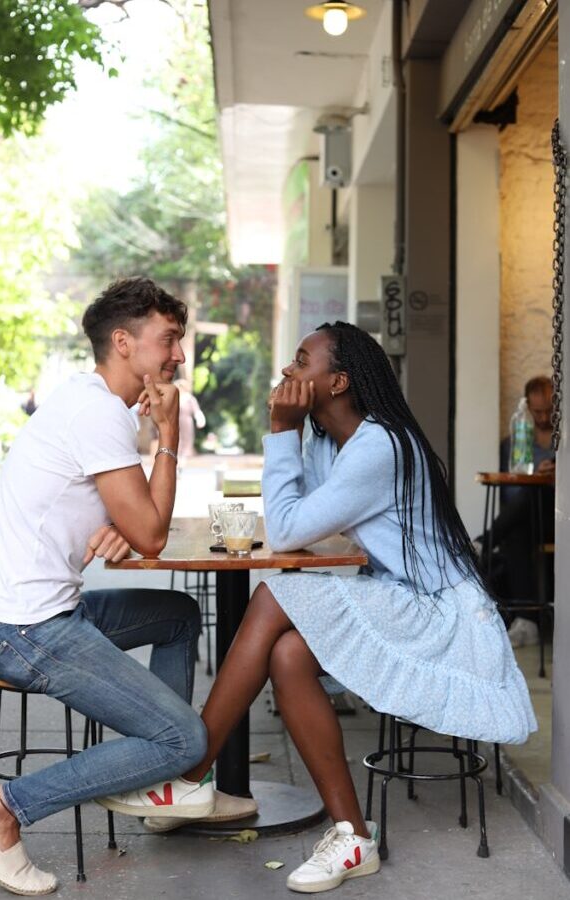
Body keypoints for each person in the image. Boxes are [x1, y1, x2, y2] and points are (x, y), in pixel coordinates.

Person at [104, 321, 537, 894]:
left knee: (275, 591)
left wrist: (280, 431)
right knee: (287, 654)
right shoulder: (334, 442)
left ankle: (188, 772)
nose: (287, 370)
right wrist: (296, 437)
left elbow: (284, 530)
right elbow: (302, 519)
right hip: (402, 597)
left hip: (444, 618)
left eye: (301, 360)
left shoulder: (381, 446)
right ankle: (353, 836)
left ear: (336, 382)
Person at [0, 277, 215, 896]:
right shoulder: (96, 413)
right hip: (25, 630)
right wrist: (167, 439)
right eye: (168, 340)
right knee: (182, 737)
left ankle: (155, 780)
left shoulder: (90, 404)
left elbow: (126, 519)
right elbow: (151, 533)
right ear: (123, 342)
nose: (178, 355)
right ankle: (1, 810)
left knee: (177, 615)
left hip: (39, 612)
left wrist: (121, 520)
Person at [482, 376, 554, 647]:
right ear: (528, 406)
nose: (545, 417)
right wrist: (537, 476)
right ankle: (527, 623)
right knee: (518, 524)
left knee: (534, 497)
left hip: (560, 518)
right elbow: (511, 495)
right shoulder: (516, 440)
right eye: (538, 412)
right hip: (530, 517)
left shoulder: (566, 437)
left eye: (550, 409)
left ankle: (484, 542)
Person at [176, 378, 206, 463]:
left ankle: (182, 461)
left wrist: (200, 420)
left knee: (187, 440)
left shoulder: (190, 398)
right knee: (177, 440)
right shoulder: (175, 397)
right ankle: (177, 460)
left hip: (186, 421)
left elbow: (196, 411)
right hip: (175, 422)